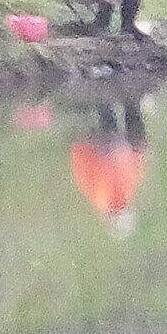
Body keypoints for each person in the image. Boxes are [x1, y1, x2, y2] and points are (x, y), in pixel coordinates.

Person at [68, 99, 147, 234]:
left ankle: (104, 95)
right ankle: (131, 99)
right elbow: (134, 171)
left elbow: (104, 166)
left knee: (111, 132)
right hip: (112, 152)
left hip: (93, 151)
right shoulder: (122, 198)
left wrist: (120, 149)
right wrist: (138, 153)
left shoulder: (103, 198)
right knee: (137, 140)